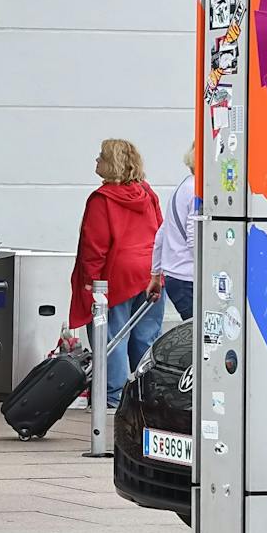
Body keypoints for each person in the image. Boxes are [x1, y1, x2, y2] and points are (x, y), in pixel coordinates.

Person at [68, 138, 165, 409]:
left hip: (117, 276)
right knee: (146, 338)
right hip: (149, 272)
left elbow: (94, 247)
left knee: (112, 338)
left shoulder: (102, 199)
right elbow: (160, 232)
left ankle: (113, 399)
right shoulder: (147, 193)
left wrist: (91, 286)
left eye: (100, 156)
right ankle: (148, 398)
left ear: (112, 164)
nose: (96, 160)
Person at [153, 143, 197, 322]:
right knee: (204, 339)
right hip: (190, 278)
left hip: (175, 277)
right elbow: (194, 238)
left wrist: (155, 273)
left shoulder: (183, 187)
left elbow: (162, 233)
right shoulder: (198, 190)